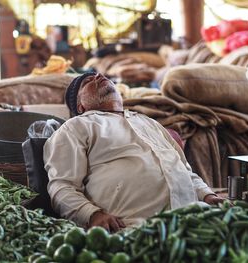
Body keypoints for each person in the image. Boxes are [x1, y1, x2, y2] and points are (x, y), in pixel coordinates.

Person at [43, 72, 225, 232]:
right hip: (134, 228)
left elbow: (184, 170)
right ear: (80, 106)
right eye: (89, 81)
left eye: (99, 75)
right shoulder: (76, 126)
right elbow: (62, 186)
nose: (99, 76)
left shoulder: (149, 122)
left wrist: (207, 195)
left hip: (194, 219)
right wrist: (92, 215)